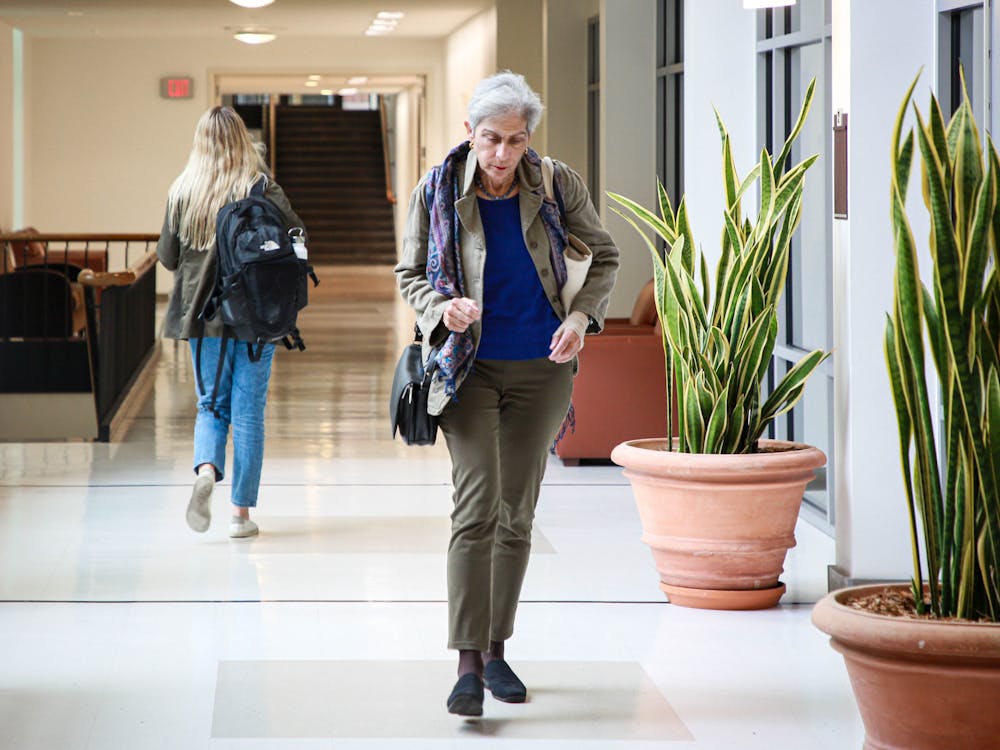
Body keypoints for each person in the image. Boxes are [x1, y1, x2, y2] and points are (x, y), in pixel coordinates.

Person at [395, 71, 619, 716]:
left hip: (542, 370)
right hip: (466, 369)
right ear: (470, 132)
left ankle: (497, 651)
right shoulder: (437, 189)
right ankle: (467, 662)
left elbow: (604, 257)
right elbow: (410, 272)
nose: (502, 153)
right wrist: (441, 307)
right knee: (476, 509)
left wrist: (580, 319)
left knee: (517, 513)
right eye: (491, 138)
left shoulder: (556, 184)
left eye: (516, 140)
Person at [156, 106, 305, 539]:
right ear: (243, 138)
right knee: (249, 414)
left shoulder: (182, 190)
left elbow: (168, 257)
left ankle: (206, 470)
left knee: (211, 405)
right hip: (257, 315)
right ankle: (240, 514)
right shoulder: (261, 187)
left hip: (203, 317)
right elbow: (298, 238)